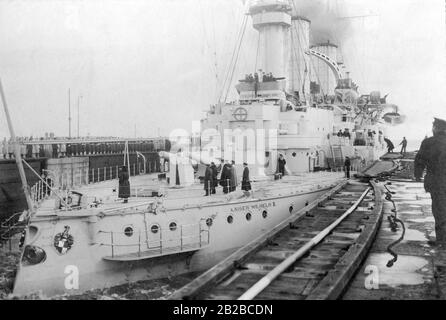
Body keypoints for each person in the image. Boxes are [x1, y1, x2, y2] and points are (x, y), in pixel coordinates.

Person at [414, 118, 446, 246]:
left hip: (436, 182)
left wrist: (418, 175)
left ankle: (442, 240)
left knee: (439, 210)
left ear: (436, 128)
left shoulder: (428, 142)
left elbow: (419, 160)